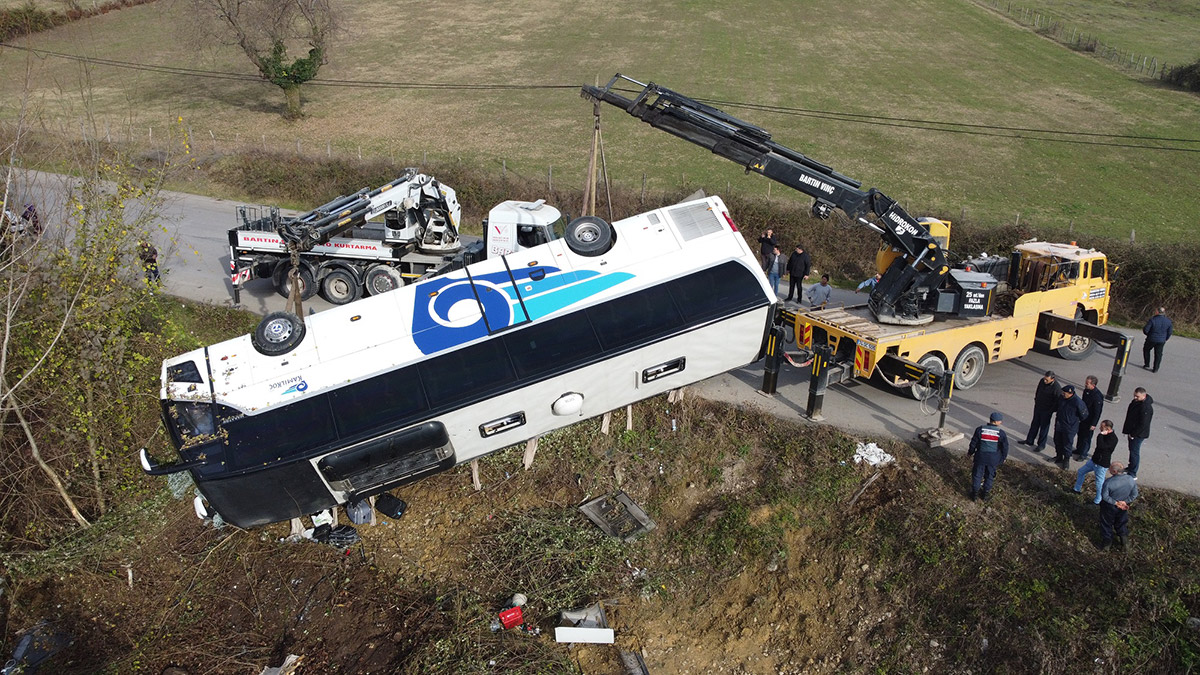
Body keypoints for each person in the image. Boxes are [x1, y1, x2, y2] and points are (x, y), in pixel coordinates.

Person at [967, 411, 1009, 501]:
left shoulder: (980, 429)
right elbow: (1005, 447)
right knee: (989, 476)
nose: (1001, 422)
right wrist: (1003, 458)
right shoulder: (1001, 433)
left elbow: (973, 443)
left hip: (980, 457)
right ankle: (985, 494)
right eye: (1000, 421)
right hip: (993, 459)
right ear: (996, 422)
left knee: (977, 475)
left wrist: (970, 453)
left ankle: (974, 494)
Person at [1098, 461, 1138, 551]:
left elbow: (1105, 496)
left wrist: (1116, 503)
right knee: (1121, 522)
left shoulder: (1109, 482)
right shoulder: (1130, 479)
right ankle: (1125, 542)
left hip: (1109, 507)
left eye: (1110, 469)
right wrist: (1125, 502)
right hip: (1123, 506)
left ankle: (1107, 544)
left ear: (1114, 471)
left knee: (1106, 524)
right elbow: (1134, 494)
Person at [1073, 419, 1116, 504]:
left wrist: (1100, 435)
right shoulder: (1105, 435)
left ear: (1107, 428)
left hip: (1101, 464)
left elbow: (1101, 446)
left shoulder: (1113, 439)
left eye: (1102, 427)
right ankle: (1076, 489)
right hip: (1094, 461)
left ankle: (1098, 500)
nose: (1100, 428)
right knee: (1081, 471)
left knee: (1099, 483)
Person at [1019, 371, 1061, 452]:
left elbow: (1057, 401)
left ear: (1052, 379)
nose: (1045, 381)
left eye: (1047, 380)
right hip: (1038, 407)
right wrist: (1036, 400)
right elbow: (1038, 391)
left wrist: (1051, 410)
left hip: (1047, 410)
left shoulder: (1056, 387)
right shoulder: (1042, 381)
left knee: (1044, 428)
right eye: (1044, 379)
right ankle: (1029, 440)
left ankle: (1041, 445)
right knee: (1034, 424)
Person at [1051, 385, 1088, 469]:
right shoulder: (1061, 398)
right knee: (1057, 441)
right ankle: (1059, 457)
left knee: (1067, 444)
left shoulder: (1077, 402)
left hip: (1070, 427)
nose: (1063, 394)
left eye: (1065, 393)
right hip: (1060, 424)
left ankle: (1066, 460)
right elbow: (1056, 406)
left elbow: (1084, 415)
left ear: (1070, 393)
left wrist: (1073, 421)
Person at [1121, 387, 1153, 479]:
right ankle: (1131, 467)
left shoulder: (1145, 407)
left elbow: (1143, 424)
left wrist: (1133, 434)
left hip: (1138, 434)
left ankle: (1133, 473)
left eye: (1137, 396)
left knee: (1134, 452)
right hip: (1133, 431)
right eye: (1134, 395)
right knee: (1132, 450)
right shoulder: (1138, 402)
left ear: (1144, 396)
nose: (1135, 397)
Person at [1073, 375, 1104, 461]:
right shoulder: (1086, 391)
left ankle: (1083, 454)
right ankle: (1079, 449)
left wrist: (1093, 424)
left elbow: (1097, 412)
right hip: (1083, 418)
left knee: (1086, 438)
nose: (1085, 385)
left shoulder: (1097, 396)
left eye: (1087, 383)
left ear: (1093, 385)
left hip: (1090, 420)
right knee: (1080, 434)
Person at [1141, 307, 1173, 373]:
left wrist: (1149, 335)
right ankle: (1155, 368)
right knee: (1158, 354)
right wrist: (1165, 338)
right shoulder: (1168, 321)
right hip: (1161, 340)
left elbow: (1146, 330)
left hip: (1151, 339)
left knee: (1146, 350)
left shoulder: (1152, 320)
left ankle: (1147, 364)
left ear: (1157, 312)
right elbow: (1169, 332)